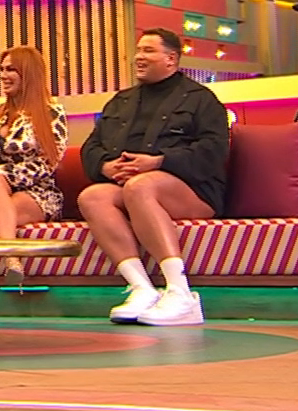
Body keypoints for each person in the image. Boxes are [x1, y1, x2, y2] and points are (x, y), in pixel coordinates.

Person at [76, 28, 228, 328]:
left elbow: (213, 151)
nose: (139, 57)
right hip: (130, 186)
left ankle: (181, 293)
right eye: (138, 51)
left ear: (171, 59)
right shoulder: (121, 101)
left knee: (139, 186)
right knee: (91, 197)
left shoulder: (201, 99)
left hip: (193, 191)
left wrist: (158, 162)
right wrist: (106, 167)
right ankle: (142, 288)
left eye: (148, 51)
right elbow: (91, 147)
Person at [0, 45, 69, 286]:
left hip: (37, 192)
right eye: (1, 69)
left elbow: (45, 165)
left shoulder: (51, 113)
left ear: (28, 73)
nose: (3, 75)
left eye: (11, 69)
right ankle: (11, 257)